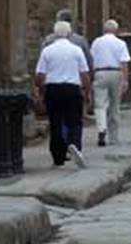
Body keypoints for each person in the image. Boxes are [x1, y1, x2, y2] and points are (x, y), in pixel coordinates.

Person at [35, 20, 91, 168]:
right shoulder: (76, 50)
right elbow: (84, 73)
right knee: (75, 121)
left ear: (54, 34)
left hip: (53, 89)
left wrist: (40, 91)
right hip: (72, 88)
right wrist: (87, 91)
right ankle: (75, 146)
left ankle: (58, 157)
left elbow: (40, 75)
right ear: (69, 33)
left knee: (56, 123)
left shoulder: (48, 51)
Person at [90, 19, 130, 147]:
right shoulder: (121, 43)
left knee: (100, 104)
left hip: (100, 72)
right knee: (114, 105)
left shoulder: (96, 42)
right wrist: (125, 80)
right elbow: (124, 63)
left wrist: (92, 76)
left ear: (104, 30)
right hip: (116, 72)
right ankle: (113, 137)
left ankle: (102, 129)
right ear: (116, 30)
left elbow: (91, 59)